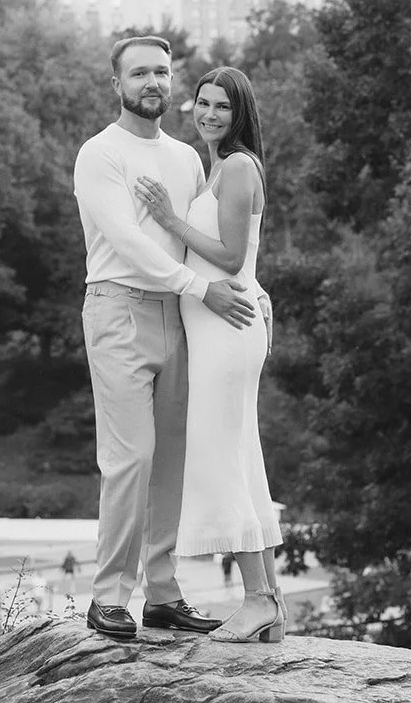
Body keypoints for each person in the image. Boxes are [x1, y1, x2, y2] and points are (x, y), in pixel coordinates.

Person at [74, 33, 258, 642]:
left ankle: (161, 593)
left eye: (161, 71)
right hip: (119, 310)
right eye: (139, 73)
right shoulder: (100, 153)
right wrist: (200, 289)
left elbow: (206, 239)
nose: (152, 82)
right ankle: (109, 596)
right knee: (131, 458)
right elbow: (127, 241)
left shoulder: (185, 159)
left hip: (179, 314)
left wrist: (251, 288)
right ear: (117, 84)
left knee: (173, 459)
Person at [136, 67, 284, 644]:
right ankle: (270, 604)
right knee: (242, 460)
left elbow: (230, 257)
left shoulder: (239, 166)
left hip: (227, 330)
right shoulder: (215, 167)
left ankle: (256, 600)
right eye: (203, 102)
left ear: (239, 112)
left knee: (222, 460)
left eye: (222, 106)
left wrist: (170, 220)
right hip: (217, 329)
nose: (210, 114)